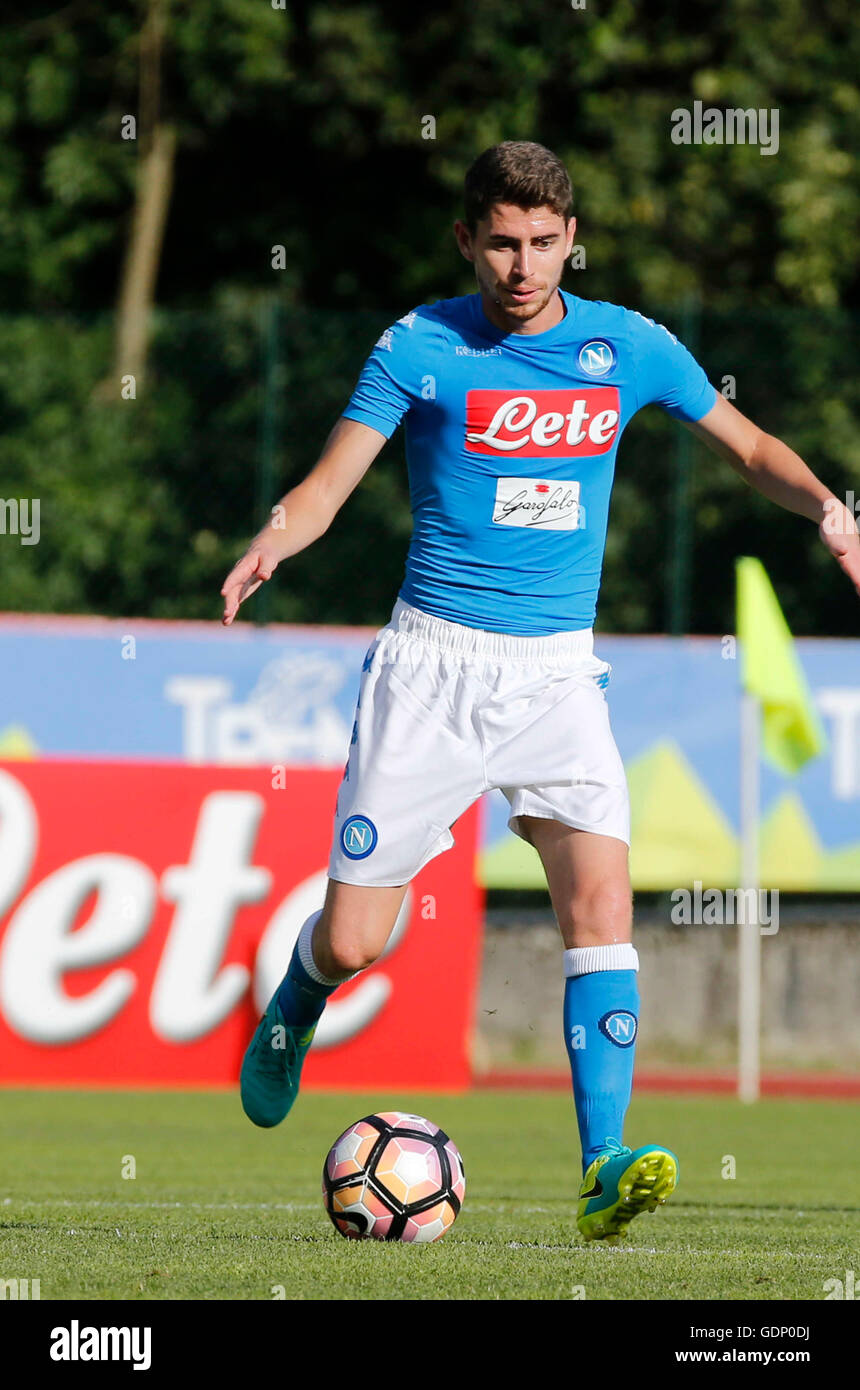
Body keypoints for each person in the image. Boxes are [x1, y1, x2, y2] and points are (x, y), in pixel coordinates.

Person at [221, 141, 860, 1242]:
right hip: (429, 672)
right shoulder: (417, 346)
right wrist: (273, 541)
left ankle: (603, 1161)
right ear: (467, 240)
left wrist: (827, 510)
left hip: (556, 675)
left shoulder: (629, 347)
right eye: (501, 242)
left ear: (573, 241)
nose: (522, 265)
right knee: (358, 941)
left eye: (543, 242)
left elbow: (748, 445)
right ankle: (299, 996)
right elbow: (328, 483)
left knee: (599, 911)